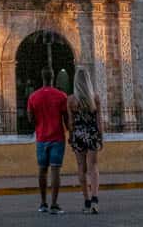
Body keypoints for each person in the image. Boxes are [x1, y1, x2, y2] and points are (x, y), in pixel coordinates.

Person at [27, 66, 69, 215]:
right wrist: (70, 132)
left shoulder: (33, 97)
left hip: (41, 138)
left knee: (42, 170)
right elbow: (66, 118)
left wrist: (38, 124)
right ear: (53, 78)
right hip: (57, 137)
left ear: (42, 77)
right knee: (55, 171)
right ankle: (54, 204)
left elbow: (30, 118)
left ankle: (43, 203)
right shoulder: (61, 96)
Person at [68, 67, 103, 214]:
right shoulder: (95, 98)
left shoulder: (71, 100)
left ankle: (87, 201)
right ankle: (95, 199)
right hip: (92, 133)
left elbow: (71, 123)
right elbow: (99, 120)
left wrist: (72, 137)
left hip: (78, 134)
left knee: (81, 167)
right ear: (88, 81)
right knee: (93, 167)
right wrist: (101, 137)